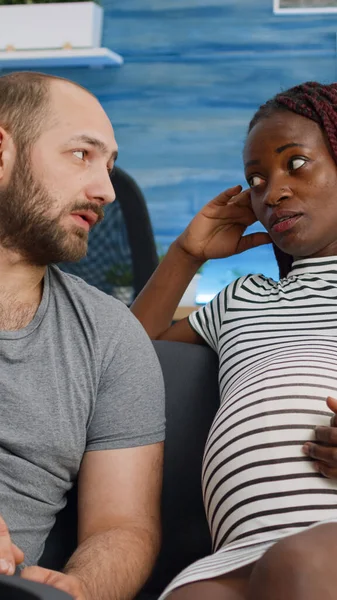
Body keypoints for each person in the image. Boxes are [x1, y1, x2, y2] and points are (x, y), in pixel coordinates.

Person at [131, 81, 337, 600]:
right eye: (256, 179)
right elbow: (126, 356)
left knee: (299, 567)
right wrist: (187, 253)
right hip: (240, 551)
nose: (273, 192)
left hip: (320, 542)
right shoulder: (243, 297)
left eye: (296, 164)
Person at [0, 71, 165, 600]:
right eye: (81, 154)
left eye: (110, 165)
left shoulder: (112, 337)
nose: (107, 190)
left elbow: (123, 525)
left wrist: (79, 589)